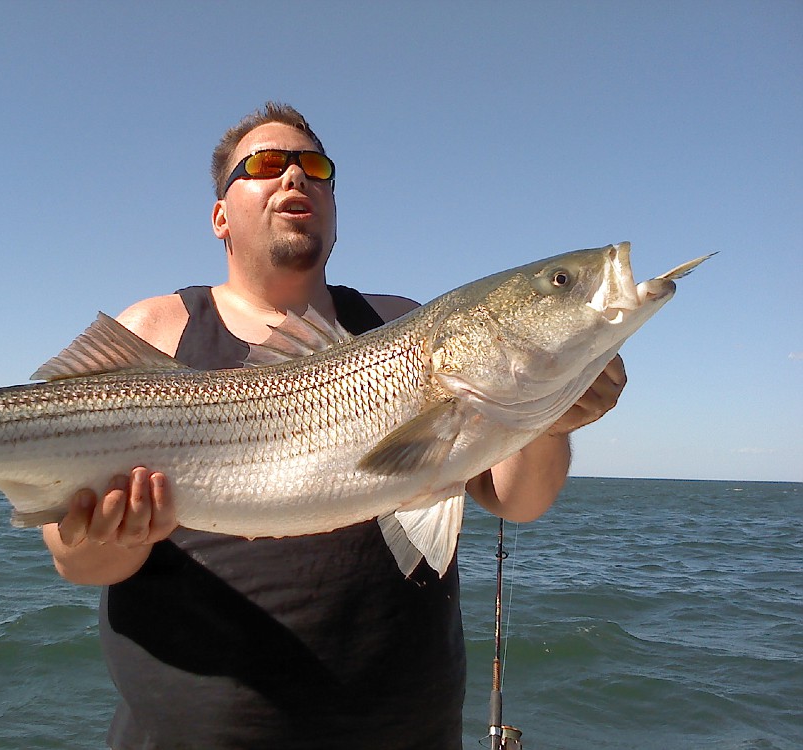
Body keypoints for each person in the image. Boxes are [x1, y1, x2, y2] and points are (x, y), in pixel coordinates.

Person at [41, 102, 626, 749]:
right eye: (265, 165)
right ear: (219, 217)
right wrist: (112, 538)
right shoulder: (154, 329)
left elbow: (520, 498)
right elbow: (76, 560)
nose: (296, 178)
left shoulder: (404, 322)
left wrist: (552, 417)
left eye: (315, 168)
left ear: (335, 209)